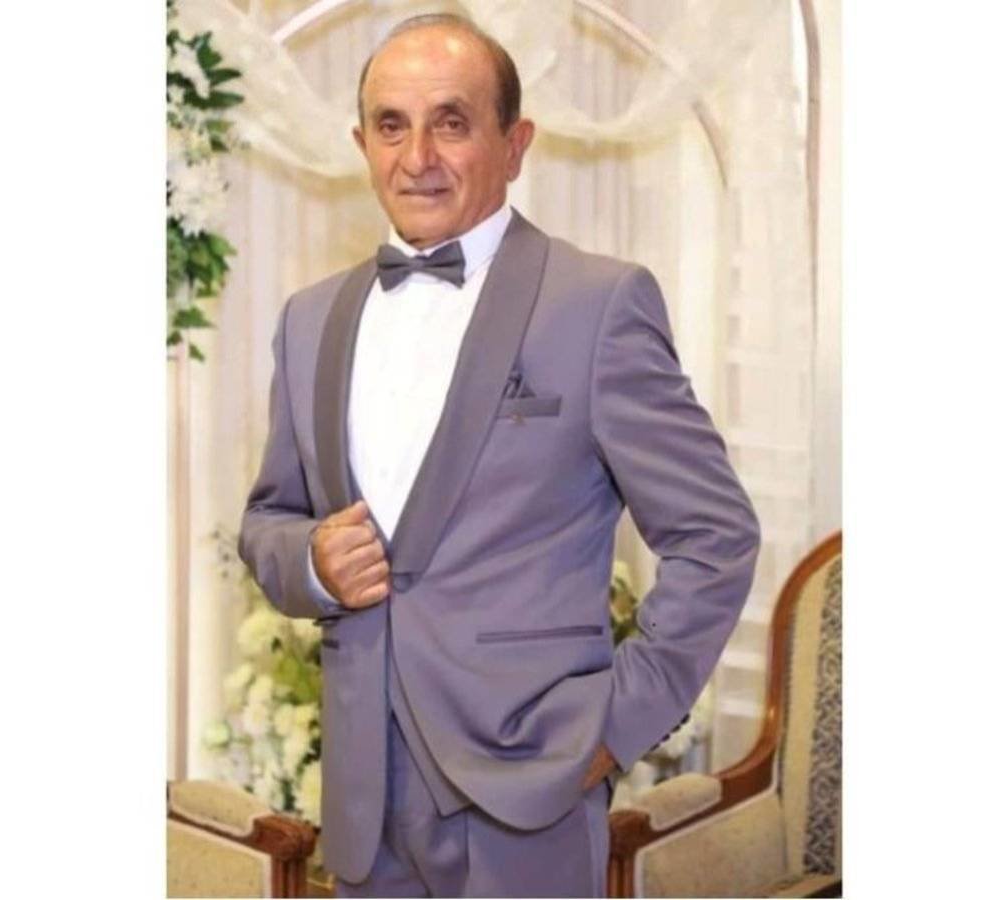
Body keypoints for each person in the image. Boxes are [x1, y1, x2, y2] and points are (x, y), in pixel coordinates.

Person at [239, 12, 759, 898]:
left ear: (515, 144)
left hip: (532, 791)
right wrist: (312, 563)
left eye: (451, 122)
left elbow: (717, 535)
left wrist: (613, 727)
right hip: (363, 803)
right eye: (392, 126)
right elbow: (269, 520)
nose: (417, 157)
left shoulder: (598, 304)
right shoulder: (309, 320)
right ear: (361, 144)